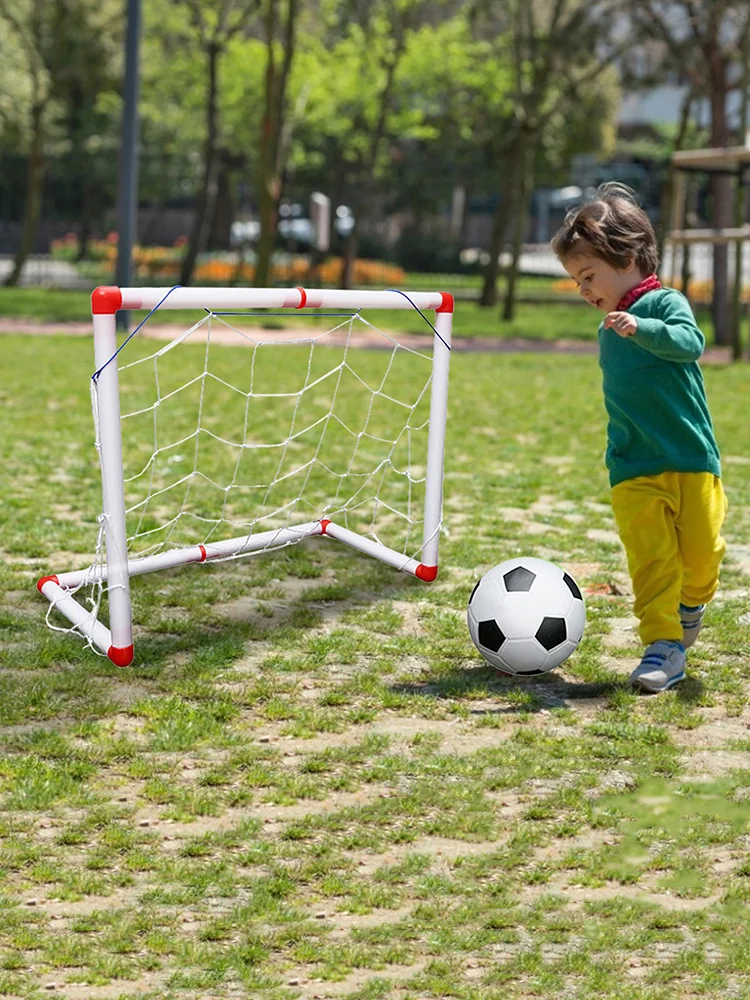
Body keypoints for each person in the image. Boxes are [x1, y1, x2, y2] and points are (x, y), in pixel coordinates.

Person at [550, 182, 727, 693]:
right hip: (632, 466)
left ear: (626, 256)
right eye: (577, 281)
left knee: (702, 558)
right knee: (652, 562)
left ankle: (691, 605)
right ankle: (663, 646)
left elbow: (690, 344)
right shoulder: (609, 325)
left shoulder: (665, 304)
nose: (584, 290)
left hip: (691, 457)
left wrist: (642, 328)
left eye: (589, 276)